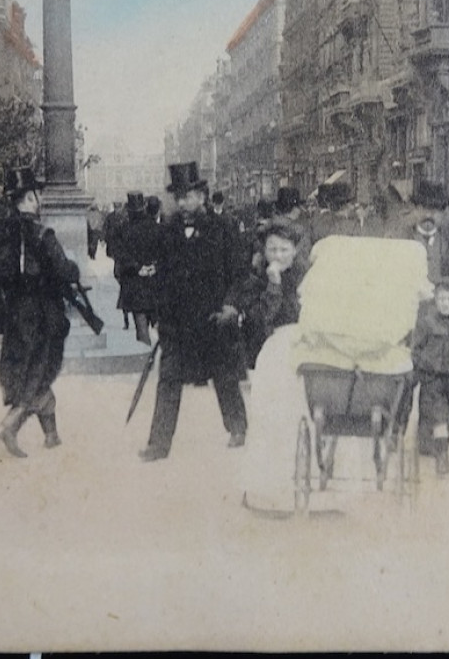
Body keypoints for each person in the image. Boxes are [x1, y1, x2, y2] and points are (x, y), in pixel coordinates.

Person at [140, 162, 247, 461]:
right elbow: (159, 275)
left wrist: (231, 306)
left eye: (189, 196)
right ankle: (158, 445)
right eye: (179, 197)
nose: (183, 203)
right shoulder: (167, 232)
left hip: (213, 319)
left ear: (202, 195)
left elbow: (239, 273)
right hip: (177, 323)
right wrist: (159, 313)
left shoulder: (224, 229)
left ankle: (237, 427)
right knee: (169, 379)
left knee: (224, 376)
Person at [0, 167, 80, 458]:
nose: (39, 200)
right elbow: (64, 271)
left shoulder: (0, 233)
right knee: (41, 371)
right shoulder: (42, 234)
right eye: (36, 195)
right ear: (29, 198)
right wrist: (73, 269)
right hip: (42, 315)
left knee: (29, 370)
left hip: (14, 313)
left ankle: (51, 436)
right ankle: (9, 425)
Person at [407, 276, 449, 476]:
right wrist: (421, 367)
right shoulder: (427, 323)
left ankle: (436, 448)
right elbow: (416, 349)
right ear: (435, 300)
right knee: (439, 416)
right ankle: (442, 458)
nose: (445, 304)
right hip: (432, 379)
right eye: (441, 299)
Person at [219, 218, 307, 370]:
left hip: (301, 356)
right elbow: (259, 321)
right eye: (272, 250)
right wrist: (273, 285)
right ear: (264, 251)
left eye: (284, 249)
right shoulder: (253, 281)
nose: (278, 256)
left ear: (294, 251)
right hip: (267, 356)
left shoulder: (306, 278)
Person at [113, 192, 160, 346]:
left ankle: (145, 358)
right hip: (155, 283)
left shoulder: (123, 230)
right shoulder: (155, 227)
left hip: (134, 284)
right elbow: (165, 252)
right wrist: (155, 267)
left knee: (141, 327)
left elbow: (118, 254)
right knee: (162, 326)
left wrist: (137, 268)